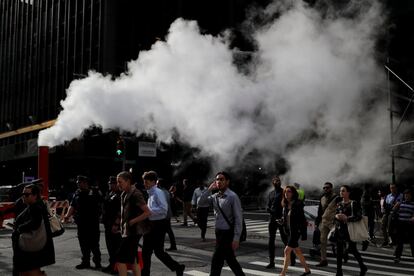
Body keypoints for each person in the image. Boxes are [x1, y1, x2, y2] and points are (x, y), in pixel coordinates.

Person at [198, 171, 245, 276]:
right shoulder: (215, 196)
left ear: (227, 182)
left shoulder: (232, 197)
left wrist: (236, 238)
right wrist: (209, 189)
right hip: (218, 233)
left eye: (221, 179)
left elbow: (238, 218)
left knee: (216, 260)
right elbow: (200, 203)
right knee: (230, 260)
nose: (218, 181)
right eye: (217, 179)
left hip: (228, 233)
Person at [141, 171, 185, 276]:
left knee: (157, 252)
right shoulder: (151, 193)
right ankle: (177, 267)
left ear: (153, 182)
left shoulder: (157, 192)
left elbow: (163, 209)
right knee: (148, 252)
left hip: (158, 226)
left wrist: (148, 212)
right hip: (152, 225)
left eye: (146, 182)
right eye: (144, 182)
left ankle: (178, 267)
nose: (145, 184)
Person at [12, 184, 55, 276]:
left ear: (35, 195)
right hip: (32, 244)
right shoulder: (35, 204)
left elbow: (35, 223)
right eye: (23, 194)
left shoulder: (35, 207)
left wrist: (20, 228)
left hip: (31, 246)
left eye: (27, 194)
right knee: (25, 271)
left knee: (31, 271)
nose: (23, 196)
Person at [63, 175, 103, 269]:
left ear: (85, 183)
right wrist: (67, 216)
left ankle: (97, 263)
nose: (78, 184)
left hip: (93, 223)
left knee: (94, 244)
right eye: (77, 183)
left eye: (79, 183)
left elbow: (102, 205)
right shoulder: (77, 193)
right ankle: (85, 262)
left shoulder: (95, 192)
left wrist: (101, 215)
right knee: (83, 243)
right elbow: (72, 206)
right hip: (81, 223)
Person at [116, 171, 151, 276]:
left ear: (128, 181)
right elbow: (124, 213)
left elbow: (147, 212)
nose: (118, 184)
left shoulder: (136, 193)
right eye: (118, 182)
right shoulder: (124, 193)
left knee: (119, 259)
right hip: (128, 231)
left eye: (120, 182)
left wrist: (133, 221)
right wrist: (118, 224)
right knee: (133, 259)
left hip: (134, 232)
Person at [334, 185, 367, 276]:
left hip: (350, 230)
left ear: (348, 192)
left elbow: (358, 216)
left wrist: (347, 218)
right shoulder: (339, 203)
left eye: (343, 191)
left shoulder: (353, 203)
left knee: (353, 250)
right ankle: (339, 271)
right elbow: (336, 215)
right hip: (340, 230)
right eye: (340, 191)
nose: (341, 192)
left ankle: (362, 266)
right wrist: (336, 216)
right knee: (339, 251)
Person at [279, 185, 310, 276]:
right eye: (285, 191)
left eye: (289, 191)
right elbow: (286, 218)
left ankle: (283, 273)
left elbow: (303, 219)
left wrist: (304, 234)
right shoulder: (285, 204)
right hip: (289, 231)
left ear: (293, 193)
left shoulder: (298, 204)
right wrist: (282, 221)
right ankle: (307, 270)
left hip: (296, 232)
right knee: (297, 251)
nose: (286, 193)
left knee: (286, 251)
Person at [266, 176, 295, 269]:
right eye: (275, 181)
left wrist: (284, 217)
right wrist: (268, 209)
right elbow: (268, 204)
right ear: (272, 183)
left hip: (281, 219)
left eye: (278, 181)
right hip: (272, 219)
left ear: (280, 182)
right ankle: (271, 262)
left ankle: (292, 257)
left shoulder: (284, 192)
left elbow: (287, 204)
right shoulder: (271, 193)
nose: (277, 182)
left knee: (285, 239)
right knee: (271, 241)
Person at [314, 182, 338, 267]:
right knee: (322, 240)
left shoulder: (336, 198)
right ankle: (323, 260)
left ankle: (343, 252)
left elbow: (340, 209)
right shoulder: (322, 197)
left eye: (327, 188)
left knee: (336, 240)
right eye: (324, 188)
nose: (325, 189)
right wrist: (317, 222)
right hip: (324, 222)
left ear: (331, 188)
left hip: (333, 222)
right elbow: (320, 211)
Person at [102, 176, 122, 274]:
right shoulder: (110, 193)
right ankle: (112, 264)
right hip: (107, 223)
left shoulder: (120, 194)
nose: (110, 185)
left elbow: (120, 211)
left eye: (112, 183)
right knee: (110, 246)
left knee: (116, 247)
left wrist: (116, 224)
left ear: (117, 184)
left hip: (115, 225)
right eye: (109, 183)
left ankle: (117, 267)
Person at [393, 189, 414, 263]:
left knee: (412, 241)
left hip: (409, 225)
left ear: (411, 196)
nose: (407, 196)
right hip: (400, 224)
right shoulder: (400, 203)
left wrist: (413, 217)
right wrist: (395, 207)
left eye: (408, 195)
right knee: (400, 241)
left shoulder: (413, 204)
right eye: (405, 195)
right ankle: (397, 257)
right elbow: (394, 211)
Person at [157, 178, 178, 251]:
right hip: (167, 214)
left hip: (164, 215)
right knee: (167, 230)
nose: (156, 184)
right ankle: (172, 245)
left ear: (159, 184)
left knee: (163, 231)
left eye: (157, 183)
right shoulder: (166, 192)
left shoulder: (161, 192)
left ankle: (163, 246)